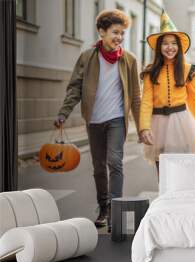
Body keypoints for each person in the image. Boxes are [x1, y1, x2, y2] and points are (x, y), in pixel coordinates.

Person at [55, 9, 141, 227]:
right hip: (93, 120)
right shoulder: (87, 57)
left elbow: (137, 96)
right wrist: (64, 112)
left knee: (115, 162)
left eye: (122, 33)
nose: (119, 38)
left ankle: (115, 209)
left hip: (116, 120)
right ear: (101, 32)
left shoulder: (129, 60)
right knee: (99, 167)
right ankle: (103, 207)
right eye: (115, 32)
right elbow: (75, 87)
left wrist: (142, 128)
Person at [139, 10, 195, 174]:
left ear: (179, 47)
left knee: (183, 170)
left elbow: (194, 102)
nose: (170, 47)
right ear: (159, 47)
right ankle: (164, 197)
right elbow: (146, 101)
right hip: (157, 124)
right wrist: (144, 128)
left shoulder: (188, 70)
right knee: (162, 170)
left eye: (174, 43)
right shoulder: (151, 72)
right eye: (165, 43)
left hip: (182, 123)